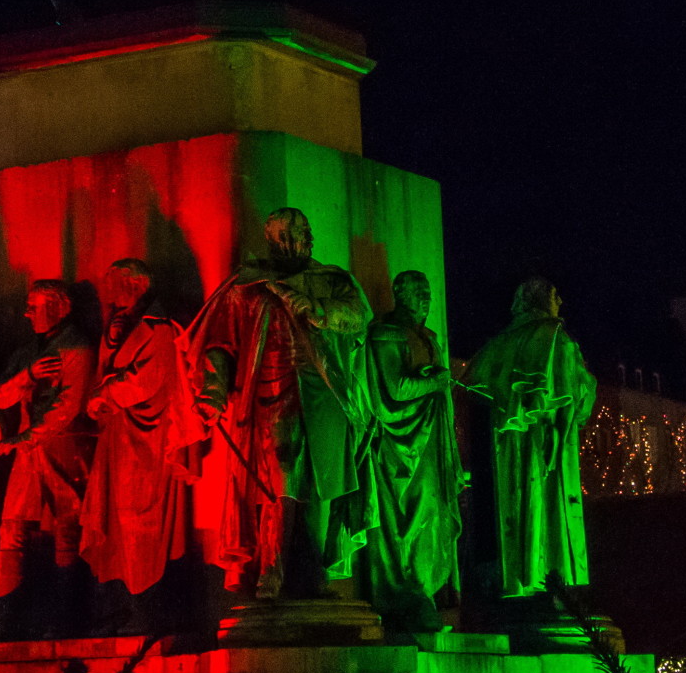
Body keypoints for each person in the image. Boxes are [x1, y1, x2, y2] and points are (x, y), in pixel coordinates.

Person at [187, 207, 374, 598]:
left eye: (303, 232)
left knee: (324, 483)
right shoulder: (247, 287)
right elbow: (219, 344)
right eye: (288, 234)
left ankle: (317, 571)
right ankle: (271, 568)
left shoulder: (330, 279)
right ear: (272, 239)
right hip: (272, 390)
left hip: (326, 393)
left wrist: (321, 311)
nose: (300, 240)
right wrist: (214, 390)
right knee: (281, 480)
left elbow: (359, 315)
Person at [79, 259, 204, 606]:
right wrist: (110, 341)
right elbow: (109, 370)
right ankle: (122, 600)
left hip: (147, 445)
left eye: (113, 284)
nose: (107, 293)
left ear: (135, 285)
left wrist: (105, 394)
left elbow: (146, 380)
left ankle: (146, 603)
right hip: (119, 440)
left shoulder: (159, 328)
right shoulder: (122, 327)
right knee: (119, 523)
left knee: (141, 525)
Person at [462, 277, 596, 596]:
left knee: (518, 504)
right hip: (547, 442)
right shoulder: (554, 338)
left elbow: (476, 384)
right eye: (553, 294)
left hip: (506, 446)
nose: (560, 300)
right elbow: (564, 401)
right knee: (550, 505)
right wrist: (558, 442)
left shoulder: (500, 343)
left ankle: (522, 577)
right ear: (538, 300)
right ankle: (551, 579)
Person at [0, 280, 96, 633]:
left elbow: (69, 406)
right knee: (11, 529)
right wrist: (28, 375)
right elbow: (0, 397)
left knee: (68, 526)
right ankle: (7, 619)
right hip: (28, 452)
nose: (27, 313)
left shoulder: (77, 348)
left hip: (64, 448)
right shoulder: (27, 354)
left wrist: (25, 437)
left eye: (34, 306)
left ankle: (67, 617)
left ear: (60, 307)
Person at [363, 270, 461, 631]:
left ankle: (428, 593)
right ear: (399, 295)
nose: (426, 298)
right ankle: (403, 596)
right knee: (405, 520)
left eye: (428, 291)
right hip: (399, 447)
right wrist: (436, 379)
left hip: (430, 443)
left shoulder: (430, 338)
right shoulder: (387, 332)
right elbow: (394, 389)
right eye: (418, 291)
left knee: (432, 517)